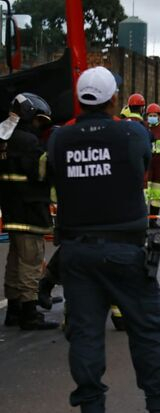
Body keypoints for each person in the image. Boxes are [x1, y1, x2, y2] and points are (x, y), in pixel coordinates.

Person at [47, 66, 160, 413]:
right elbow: (145, 161)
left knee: (85, 334)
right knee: (147, 332)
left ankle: (91, 406)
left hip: (76, 252)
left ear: (79, 99)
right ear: (113, 100)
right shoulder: (133, 133)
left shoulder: (60, 137)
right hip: (126, 249)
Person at [0, 93, 59, 330]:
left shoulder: (4, 139)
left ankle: (13, 310)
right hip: (29, 210)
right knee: (31, 261)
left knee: (14, 260)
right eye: (38, 121)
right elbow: (42, 173)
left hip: (11, 210)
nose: (39, 126)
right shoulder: (28, 142)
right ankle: (29, 313)